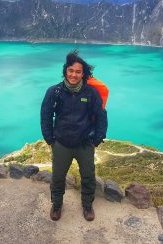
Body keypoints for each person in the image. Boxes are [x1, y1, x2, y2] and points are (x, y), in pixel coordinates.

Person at [40, 50, 108, 221]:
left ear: (83, 74)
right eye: (71, 71)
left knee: (88, 176)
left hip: (85, 143)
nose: (74, 75)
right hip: (61, 143)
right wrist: (50, 139)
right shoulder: (54, 92)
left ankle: (87, 205)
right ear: (65, 71)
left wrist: (97, 140)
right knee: (57, 177)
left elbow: (101, 116)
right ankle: (56, 205)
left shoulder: (91, 93)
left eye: (78, 72)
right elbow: (45, 115)